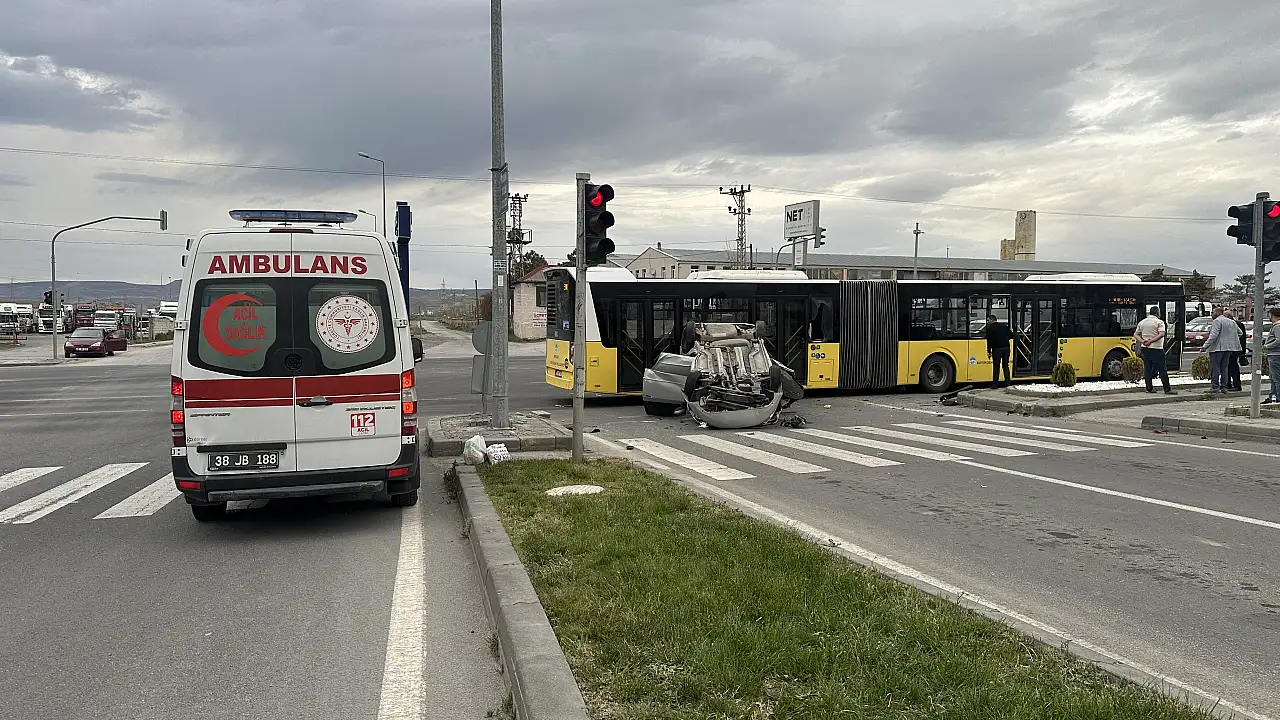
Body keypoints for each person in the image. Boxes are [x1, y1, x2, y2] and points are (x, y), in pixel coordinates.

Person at [1133, 306, 1173, 394]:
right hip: (1157, 348)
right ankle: (1167, 389)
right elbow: (1161, 334)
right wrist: (1151, 341)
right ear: (1157, 313)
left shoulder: (1142, 322)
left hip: (1145, 348)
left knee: (1147, 368)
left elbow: (1135, 334)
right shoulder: (1159, 322)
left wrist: (1142, 341)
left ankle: (1149, 388)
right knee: (1162, 369)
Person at [1203, 306, 1242, 393]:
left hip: (1217, 348)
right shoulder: (1232, 322)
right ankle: (1224, 387)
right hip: (1229, 348)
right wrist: (1230, 340)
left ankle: (1215, 387)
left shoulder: (1217, 321)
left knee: (1215, 367)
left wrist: (1205, 346)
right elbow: (1240, 333)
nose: (1211, 314)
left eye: (1213, 312)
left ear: (1217, 313)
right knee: (1224, 367)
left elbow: (1213, 335)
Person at [984, 313, 1014, 387]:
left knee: (996, 366)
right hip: (1006, 348)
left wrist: (989, 351)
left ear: (992, 320)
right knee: (1005, 365)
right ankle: (1007, 382)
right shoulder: (1004, 326)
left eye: (988, 320)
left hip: (997, 349)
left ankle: (995, 384)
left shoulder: (990, 328)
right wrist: (1004, 339)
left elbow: (989, 341)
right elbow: (1011, 335)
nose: (987, 322)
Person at [1226, 309, 1246, 392]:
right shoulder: (1238, 324)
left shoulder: (1234, 324)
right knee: (1230, 366)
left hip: (1233, 348)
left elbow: (1242, 336)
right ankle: (1230, 384)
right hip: (1236, 348)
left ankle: (1234, 384)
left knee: (1232, 366)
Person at [1266, 308, 1280, 404]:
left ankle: (1278, 397)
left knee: (1276, 378)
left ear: (1272, 315)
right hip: (1274, 354)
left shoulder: (1277, 327)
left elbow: (1279, 340)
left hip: (1275, 354)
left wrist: (1267, 346)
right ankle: (1272, 396)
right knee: (1273, 378)